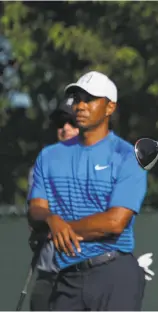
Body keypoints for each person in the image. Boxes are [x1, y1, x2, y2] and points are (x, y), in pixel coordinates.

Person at [27, 71, 148, 310]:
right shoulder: (49, 156)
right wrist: (51, 219)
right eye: (77, 99)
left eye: (90, 99)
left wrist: (61, 227)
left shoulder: (127, 156)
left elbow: (115, 222)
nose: (80, 106)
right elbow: (36, 209)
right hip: (67, 276)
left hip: (114, 273)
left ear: (110, 107)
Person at [27, 96, 79, 311]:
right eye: (60, 123)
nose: (65, 128)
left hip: (87, 278)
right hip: (48, 276)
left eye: (72, 122)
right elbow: (35, 220)